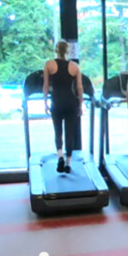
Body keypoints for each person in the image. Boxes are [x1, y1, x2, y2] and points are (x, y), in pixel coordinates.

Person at [43, 40, 84, 174]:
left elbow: (46, 85)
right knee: (70, 132)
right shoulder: (74, 66)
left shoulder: (49, 64)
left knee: (58, 131)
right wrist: (81, 104)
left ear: (56, 50)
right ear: (67, 51)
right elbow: (79, 87)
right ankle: (68, 162)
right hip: (71, 102)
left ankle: (60, 156)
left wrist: (45, 102)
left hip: (57, 101)